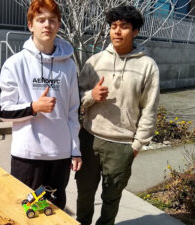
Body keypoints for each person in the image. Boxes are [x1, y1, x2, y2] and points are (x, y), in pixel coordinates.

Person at [76, 5, 160, 225]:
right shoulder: (95, 61)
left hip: (121, 145)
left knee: (111, 198)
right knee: (84, 194)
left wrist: (136, 145)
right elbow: (75, 99)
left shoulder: (147, 66)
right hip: (89, 138)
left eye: (124, 26)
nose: (117, 31)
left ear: (135, 31)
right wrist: (91, 96)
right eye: (113, 26)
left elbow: (149, 109)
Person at [0, 0, 82, 209]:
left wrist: (75, 149)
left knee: (54, 211)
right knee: (24, 210)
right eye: (40, 20)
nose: (47, 25)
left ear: (59, 25)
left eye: (52, 20)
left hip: (59, 155)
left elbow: (73, 111)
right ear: (30, 25)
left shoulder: (69, 66)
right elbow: (3, 111)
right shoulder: (14, 64)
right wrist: (34, 107)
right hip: (28, 155)